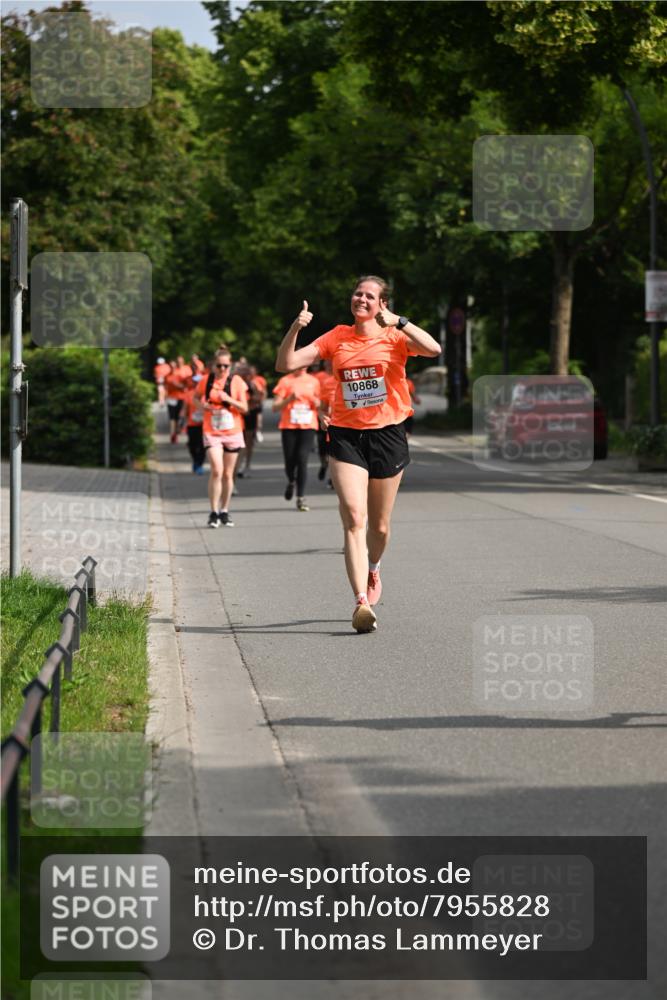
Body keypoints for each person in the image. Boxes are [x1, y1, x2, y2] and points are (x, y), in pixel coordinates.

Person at [276, 276, 440, 632]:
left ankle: (374, 567)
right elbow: (285, 363)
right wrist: (295, 327)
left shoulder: (395, 336)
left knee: (379, 527)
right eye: (357, 293)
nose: (361, 299)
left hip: (388, 435)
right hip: (346, 435)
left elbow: (433, 349)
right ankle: (361, 603)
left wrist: (400, 321)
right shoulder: (337, 336)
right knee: (354, 517)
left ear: (382, 303)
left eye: (369, 295)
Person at [195, 347, 248, 527]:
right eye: (219, 366)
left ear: (230, 365)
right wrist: (203, 406)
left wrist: (228, 399)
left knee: (227, 473)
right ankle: (213, 512)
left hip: (233, 431)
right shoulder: (206, 380)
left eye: (226, 366)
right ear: (213, 365)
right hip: (212, 431)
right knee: (217, 470)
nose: (222, 369)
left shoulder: (237, 381)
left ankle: (224, 510)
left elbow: (245, 408)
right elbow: (195, 398)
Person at [272, 366, 321, 512]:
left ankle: (301, 497)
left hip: (308, 426)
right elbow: (275, 407)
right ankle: (291, 481)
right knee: (290, 461)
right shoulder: (285, 381)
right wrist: (289, 399)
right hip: (289, 426)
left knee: (302, 459)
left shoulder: (314, 381)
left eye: (305, 364)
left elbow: (321, 403)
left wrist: (316, 402)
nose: (302, 367)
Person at [237, 365, 266, 478]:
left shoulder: (253, 383)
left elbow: (260, 397)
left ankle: (246, 465)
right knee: (239, 442)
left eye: (247, 373)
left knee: (248, 442)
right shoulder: (235, 383)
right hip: (239, 415)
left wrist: (251, 399)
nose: (245, 375)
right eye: (242, 373)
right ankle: (238, 464)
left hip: (250, 415)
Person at [183, 372, 206, 474]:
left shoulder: (207, 394)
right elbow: (185, 409)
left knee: (202, 446)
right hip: (191, 424)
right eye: (196, 382)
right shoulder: (189, 394)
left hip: (204, 425)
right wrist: (182, 422)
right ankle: (195, 461)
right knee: (191, 445)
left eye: (199, 382)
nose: (197, 384)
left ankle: (199, 464)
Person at [164, 358, 189, 443]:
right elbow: (166, 387)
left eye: (173, 366)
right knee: (172, 418)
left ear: (175, 366)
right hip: (171, 399)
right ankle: (173, 435)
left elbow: (185, 386)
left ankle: (177, 431)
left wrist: (177, 385)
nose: (172, 368)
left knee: (179, 417)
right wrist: (164, 396)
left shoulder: (180, 374)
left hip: (180, 398)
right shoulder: (167, 376)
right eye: (170, 366)